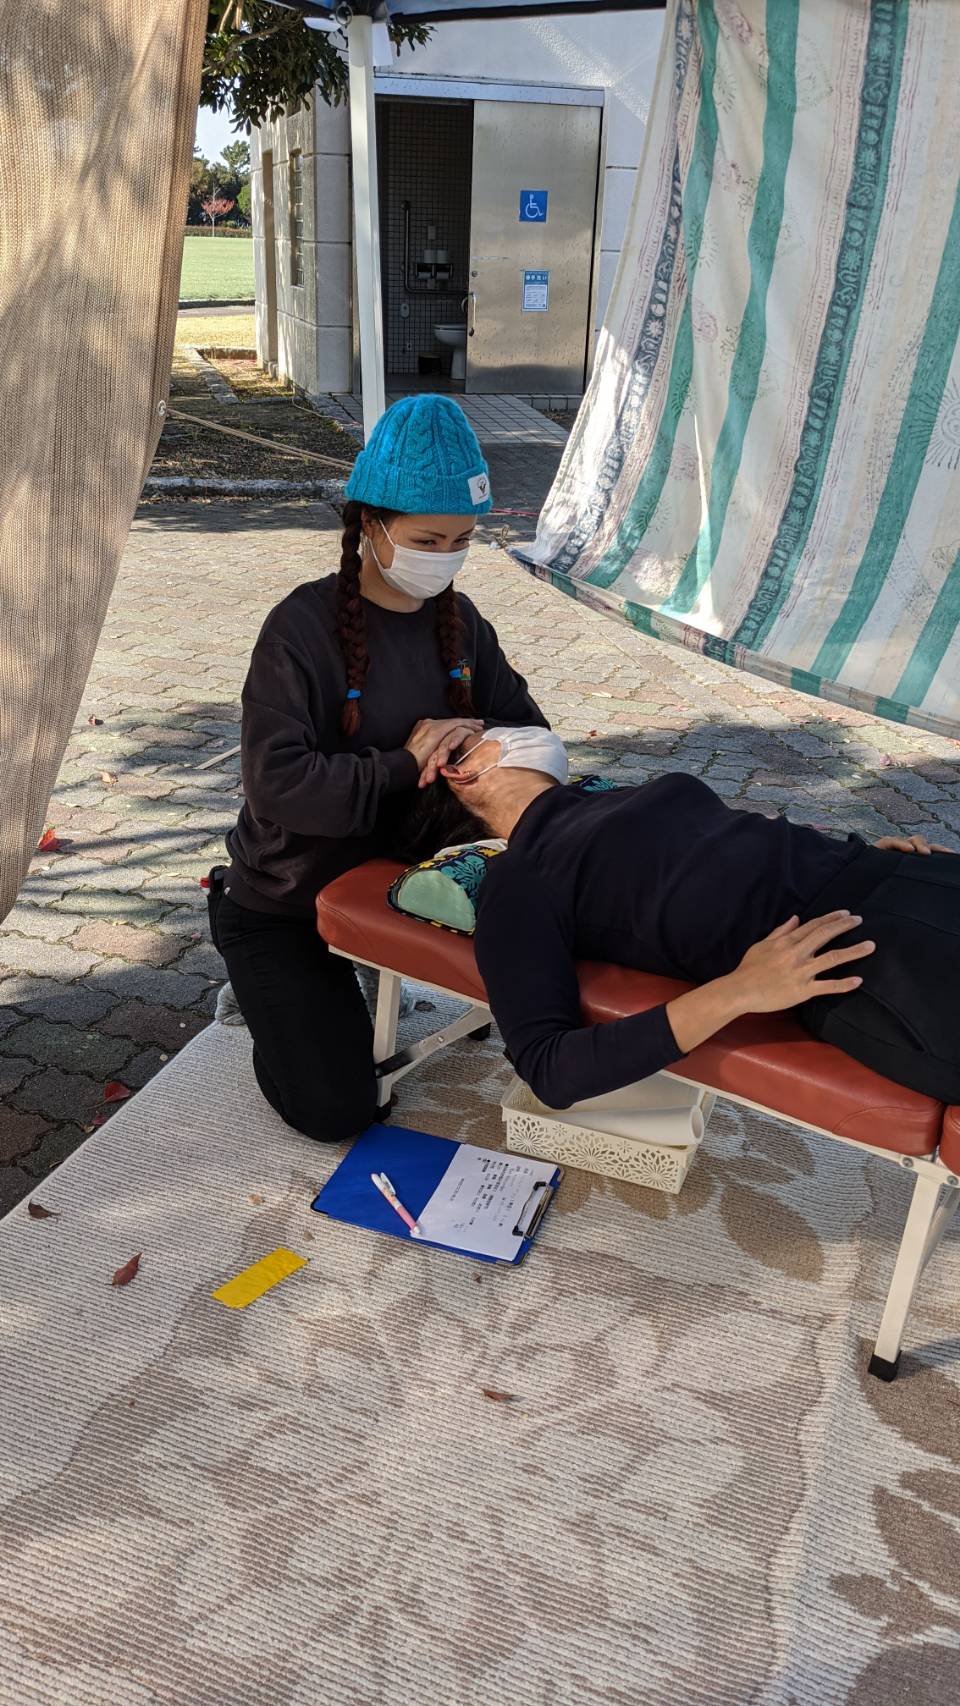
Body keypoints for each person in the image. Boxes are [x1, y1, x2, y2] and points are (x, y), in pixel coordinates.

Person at [207, 398, 547, 1142]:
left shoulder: (461, 626)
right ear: (370, 524)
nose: (447, 554)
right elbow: (280, 786)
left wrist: (478, 744)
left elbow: (531, 732)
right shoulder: (300, 629)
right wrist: (403, 763)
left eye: (462, 539)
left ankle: (357, 980)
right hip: (285, 898)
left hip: (407, 879)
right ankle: (263, 980)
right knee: (340, 1109)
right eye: (429, 537)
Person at [387, 727, 960, 1109]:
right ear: (464, 772)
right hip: (858, 956)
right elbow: (548, 1068)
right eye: (479, 734)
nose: (494, 726)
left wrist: (854, 853)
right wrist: (737, 992)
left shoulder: (603, 797)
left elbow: (727, 843)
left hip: (898, 874)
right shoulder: (517, 880)